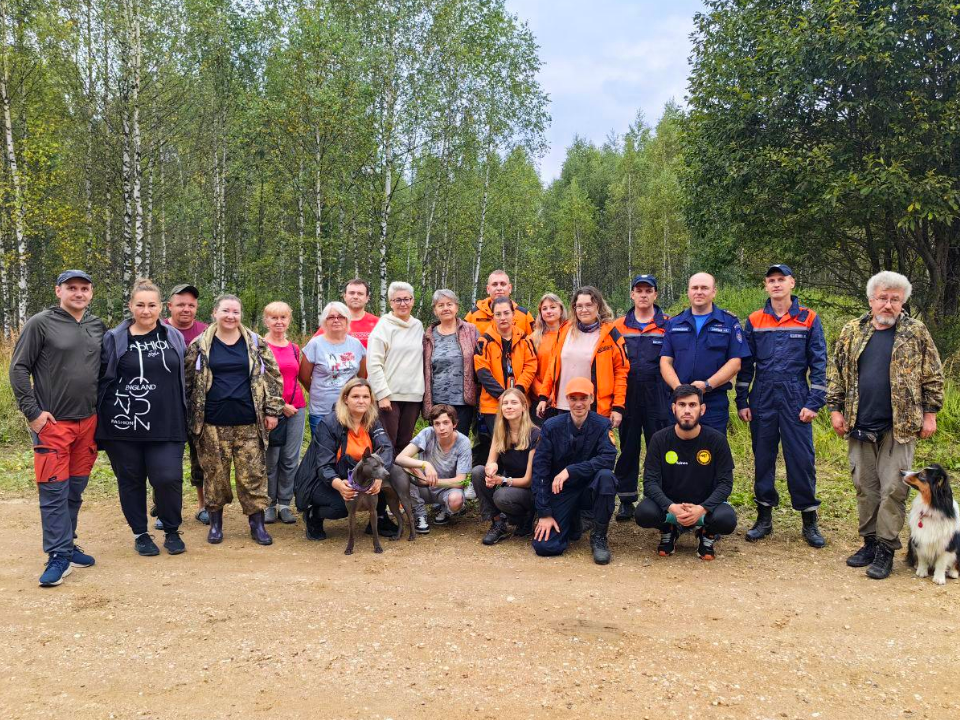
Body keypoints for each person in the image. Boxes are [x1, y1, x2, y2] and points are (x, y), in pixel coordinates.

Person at [827, 271, 944, 580]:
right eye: (883, 298)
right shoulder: (853, 330)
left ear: (903, 301)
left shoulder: (916, 332)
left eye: (895, 299)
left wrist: (930, 414)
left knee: (893, 489)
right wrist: (835, 411)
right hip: (859, 422)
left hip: (900, 426)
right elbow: (836, 372)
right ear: (871, 300)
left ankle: (885, 550)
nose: (888, 304)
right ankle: (868, 542)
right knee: (865, 487)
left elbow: (933, 375)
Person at [10, 270, 105, 587]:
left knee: (74, 491)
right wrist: (32, 412)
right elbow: (19, 368)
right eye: (71, 288)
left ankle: (67, 544)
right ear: (58, 291)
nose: (78, 293)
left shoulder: (96, 326)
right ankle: (57, 556)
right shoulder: (41, 323)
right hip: (53, 425)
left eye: (84, 288)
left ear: (91, 293)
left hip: (87, 424)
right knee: (53, 492)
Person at [735, 265, 828, 547]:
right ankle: (764, 518)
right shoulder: (754, 320)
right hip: (762, 395)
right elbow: (745, 364)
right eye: (771, 281)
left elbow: (820, 364)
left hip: (795, 395)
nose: (776, 285)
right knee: (763, 458)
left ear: (791, 283)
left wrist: (814, 402)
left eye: (781, 280)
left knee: (801, 459)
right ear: (765, 286)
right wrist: (742, 400)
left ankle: (809, 520)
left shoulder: (808, 318)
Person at [97, 278, 188, 557]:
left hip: (167, 421)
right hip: (122, 424)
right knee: (131, 480)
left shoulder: (173, 336)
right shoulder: (114, 338)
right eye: (140, 305)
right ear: (131, 306)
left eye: (151, 305)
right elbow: (101, 377)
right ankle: (140, 534)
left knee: (168, 477)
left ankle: (171, 529)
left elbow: (185, 376)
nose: (146, 311)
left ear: (162, 307)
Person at [184, 294, 284, 546]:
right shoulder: (200, 345)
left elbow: (273, 376)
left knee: (252, 476)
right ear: (214, 313)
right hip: (211, 424)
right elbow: (187, 381)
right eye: (226, 311)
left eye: (236, 312)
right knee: (215, 476)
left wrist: (272, 411)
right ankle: (216, 524)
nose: (231, 316)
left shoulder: (255, 343)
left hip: (249, 422)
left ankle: (257, 524)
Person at [293, 378, 408, 541]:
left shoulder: (372, 420)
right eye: (355, 396)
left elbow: (386, 449)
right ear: (345, 399)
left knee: (385, 474)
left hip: (356, 476)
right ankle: (313, 515)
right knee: (342, 506)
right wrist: (339, 485)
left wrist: (378, 478)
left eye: (365, 397)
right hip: (322, 479)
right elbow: (323, 465)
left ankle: (380, 518)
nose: (361, 401)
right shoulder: (329, 423)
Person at [635, 385, 738, 561]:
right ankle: (669, 529)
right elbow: (650, 483)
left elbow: (725, 483)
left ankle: (707, 534)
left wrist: (702, 508)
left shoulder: (716, 440)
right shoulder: (659, 439)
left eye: (693, 405)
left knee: (727, 519)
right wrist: (671, 507)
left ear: (702, 409)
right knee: (644, 513)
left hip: (704, 508)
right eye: (682, 405)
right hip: (671, 507)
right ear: (674, 408)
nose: (687, 410)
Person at [531, 378, 618, 565]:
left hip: (590, 488)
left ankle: (599, 536)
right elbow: (540, 470)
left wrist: (571, 470)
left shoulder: (602, 425)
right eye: (573, 398)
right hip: (562, 490)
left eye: (583, 398)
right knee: (545, 547)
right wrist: (544, 513)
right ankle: (574, 521)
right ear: (566, 400)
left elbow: (608, 459)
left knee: (606, 477)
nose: (578, 403)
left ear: (591, 398)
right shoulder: (551, 426)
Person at [612, 274, 671, 522]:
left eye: (649, 290)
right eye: (639, 290)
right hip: (628, 394)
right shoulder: (618, 325)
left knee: (660, 447)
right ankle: (626, 499)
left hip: (659, 394)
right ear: (632, 294)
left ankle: (658, 497)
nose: (644, 294)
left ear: (656, 294)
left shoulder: (668, 324)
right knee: (628, 448)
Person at [659, 272, 750, 432]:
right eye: (694, 288)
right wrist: (679, 388)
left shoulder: (728, 322)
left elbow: (735, 363)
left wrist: (707, 385)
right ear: (688, 291)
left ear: (714, 291)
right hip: (680, 401)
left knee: (712, 451)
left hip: (712, 402)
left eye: (704, 288)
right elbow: (665, 361)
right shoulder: (674, 323)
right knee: (676, 452)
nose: (699, 292)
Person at [536, 286, 628, 428]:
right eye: (579, 306)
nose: (584, 310)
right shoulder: (565, 329)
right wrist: (543, 396)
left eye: (589, 305)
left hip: (594, 407)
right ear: (574, 308)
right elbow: (552, 366)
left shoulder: (610, 334)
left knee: (593, 449)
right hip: (563, 405)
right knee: (564, 448)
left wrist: (618, 407)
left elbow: (621, 373)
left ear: (598, 306)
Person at [162, 283, 209, 526]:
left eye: (191, 305)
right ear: (169, 306)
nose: (186, 309)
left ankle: (203, 506)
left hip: (199, 407)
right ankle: (164, 508)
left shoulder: (207, 332)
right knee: (163, 460)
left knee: (201, 458)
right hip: (165, 407)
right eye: (180, 304)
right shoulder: (158, 329)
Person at [471, 388, 539, 545]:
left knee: (501, 496)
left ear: (524, 406)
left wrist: (501, 480)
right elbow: (490, 461)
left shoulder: (535, 434)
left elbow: (528, 480)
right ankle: (497, 523)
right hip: (508, 484)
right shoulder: (500, 431)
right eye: (505, 403)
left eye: (514, 403)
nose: (508, 406)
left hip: (529, 490)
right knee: (478, 472)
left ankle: (527, 516)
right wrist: (491, 469)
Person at [393, 404, 473, 532]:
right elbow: (399, 458)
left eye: (446, 422)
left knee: (456, 500)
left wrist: (431, 481)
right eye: (437, 424)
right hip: (423, 488)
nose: (441, 428)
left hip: (446, 489)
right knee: (404, 470)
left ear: (454, 424)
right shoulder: (427, 433)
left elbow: (460, 481)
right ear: (433, 425)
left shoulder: (463, 442)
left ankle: (446, 510)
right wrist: (424, 465)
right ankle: (419, 514)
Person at [263, 301, 307, 525]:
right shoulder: (260, 347)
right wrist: (278, 406)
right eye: (274, 318)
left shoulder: (294, 348)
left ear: (289, 320)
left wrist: (291, 406)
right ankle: (269, 504)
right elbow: (258, 383)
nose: (279, 322)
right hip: (271, 412)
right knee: (271, 460)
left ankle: (284, 503)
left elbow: (297, 377)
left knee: (290, 459)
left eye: (283, 317)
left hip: (297, 408)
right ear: (266, 321)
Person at [367, 281, 425, 452]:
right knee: (386, 443)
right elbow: (373, 363)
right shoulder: (383, 327)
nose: (403, 304)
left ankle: (401, 478)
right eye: (398, 300)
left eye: (406, 299)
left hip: (413, 397)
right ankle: (384, 478)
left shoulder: (418, 326)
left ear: (413, 301)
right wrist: (382, 394)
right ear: (391, 302)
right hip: (389, 397)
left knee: (405, 444)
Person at [300, 301, 367, 437]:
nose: (336, 320)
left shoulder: (356, 344)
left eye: (340, 316)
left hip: (349, 409)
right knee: (322, 452)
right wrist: (317, 390)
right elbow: (303, 377)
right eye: (331, 317)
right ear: (325, 321)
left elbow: (361, 377)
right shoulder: (315, 344)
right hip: (321, 410)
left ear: (347, 319)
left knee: (348, 451)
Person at [474, 296, 538, 438]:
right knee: (500, 446)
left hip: (520, 403)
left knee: (521, 444)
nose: (502, 317)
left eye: (506, 313)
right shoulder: (483, 342)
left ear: (513, 314)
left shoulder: (525, 340)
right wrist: (503, 396)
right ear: (493, 316)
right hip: (493, 406)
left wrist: (518, 392)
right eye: (498, 314)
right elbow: (482, 372)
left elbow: (531, 367)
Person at [422, 289, 479, 435]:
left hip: (463, 401)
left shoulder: (471, 331)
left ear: (457, 307)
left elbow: (481, 361)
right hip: (438, 402)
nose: (446, 308)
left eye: (449, 304)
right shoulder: (428, 336)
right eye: (440, 305)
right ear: (435, 310)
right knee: (439, 443)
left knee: (460, 441)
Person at [529, 293, 569, 416]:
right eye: (544, 309)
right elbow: (530, 369)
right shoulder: (533, 338)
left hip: (565, 398)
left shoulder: (570, 335)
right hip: (540, 399)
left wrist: (556, 393)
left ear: (561, 309)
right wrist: (543, 393)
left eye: (553, 307)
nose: (548, 311)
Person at [465, 269, 535, 337]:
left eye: (503, 284)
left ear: (510, 288)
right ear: (488, 289)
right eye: (495, 284)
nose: (499, 288)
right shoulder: (473, 316)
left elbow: (535, 343)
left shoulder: (524, 316)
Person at [313, 278, 379, 347]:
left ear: (367, 298)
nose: (355, 297)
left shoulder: (378, 324)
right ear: (344, 296)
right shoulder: (333, 322)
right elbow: (313, 348)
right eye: (351, 293)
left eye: (360, 294)